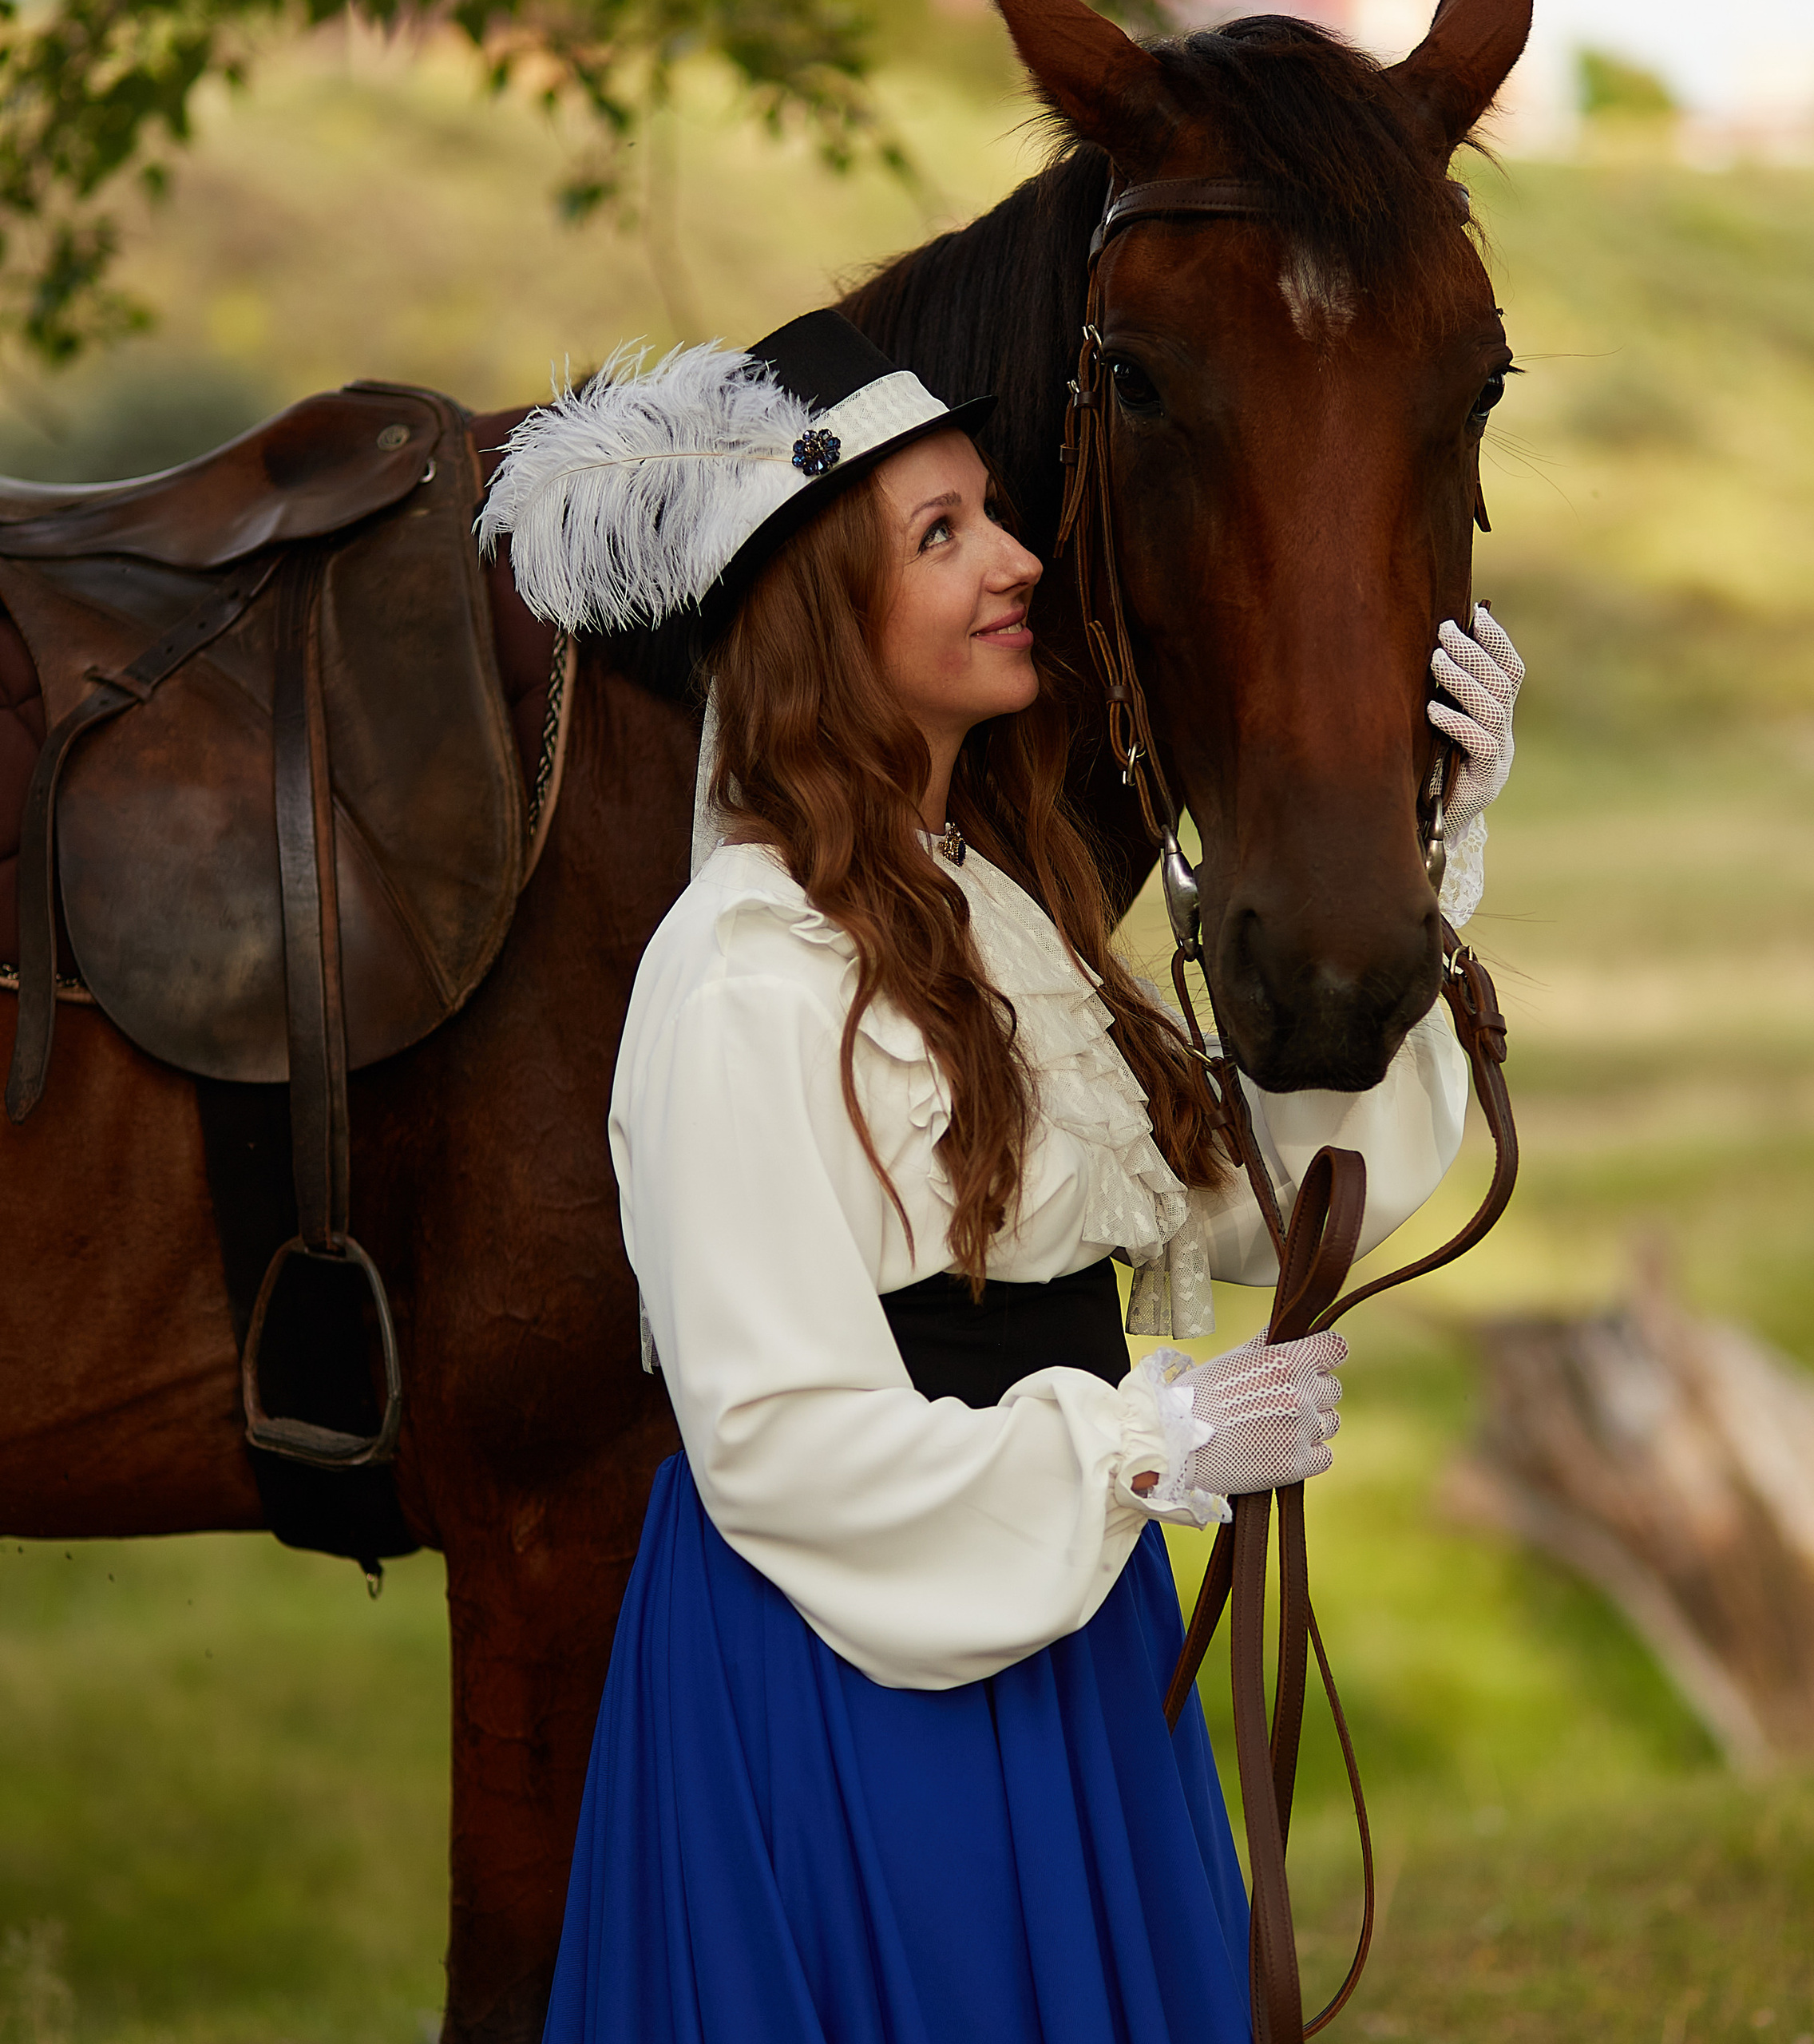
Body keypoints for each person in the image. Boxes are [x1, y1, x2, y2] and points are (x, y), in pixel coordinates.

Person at [478, 309, 1524, 2044]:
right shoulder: (738, 974)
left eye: (996, 515)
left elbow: (1233, 1190)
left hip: (1062, 1602)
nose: (1016, 557)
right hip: (847, 1658)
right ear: (823, 618)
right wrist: (1152, 1436)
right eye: (941, 530)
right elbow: (774, 1437)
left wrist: (1427, 843)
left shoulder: (985, 901)